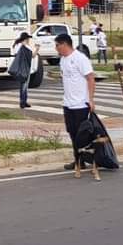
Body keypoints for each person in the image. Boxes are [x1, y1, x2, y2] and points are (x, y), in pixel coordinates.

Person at [55, 33, 96, 170]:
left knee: (83, 135)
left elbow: (90, 78)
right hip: (68, 103)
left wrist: (90, 99)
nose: (56, 48)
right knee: (72, 133)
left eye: (57, 45)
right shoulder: (63, 60)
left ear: (65, 44)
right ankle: (78, 160)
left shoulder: (80, 58)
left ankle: (91, 158)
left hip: (81, 104)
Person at [11, 32, 39, 108]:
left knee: (23, 85)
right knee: (24, 86)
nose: (29, 40)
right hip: (25, 69)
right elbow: (33, 56)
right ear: (26, 39)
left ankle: (23, 101)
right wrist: (37, 49)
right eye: (28, 38)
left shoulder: (17, 45)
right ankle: (23, 102)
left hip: (19, 68)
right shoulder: (24, 47)